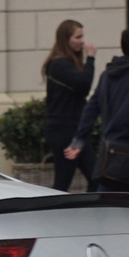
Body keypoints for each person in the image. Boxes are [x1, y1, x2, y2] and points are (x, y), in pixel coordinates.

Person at [65, 26, 129, 195]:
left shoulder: (108, 74)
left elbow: (92, 107)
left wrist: (79, 139)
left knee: (113, 194)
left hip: (110, 149)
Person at [43, 20, 97, 192]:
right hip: (64, 130)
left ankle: (90, 213)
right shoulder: (59, 64)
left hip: (75, 129)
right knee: (63, 181)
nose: (82, 41)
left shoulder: (67, 63)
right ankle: (52, 216)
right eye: (78, 37)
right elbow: (84, 85)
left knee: (95, 177)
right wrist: (91, 58)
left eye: (82, 36)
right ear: (66, 39)